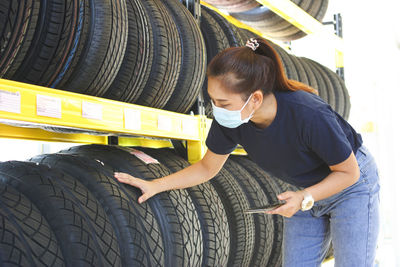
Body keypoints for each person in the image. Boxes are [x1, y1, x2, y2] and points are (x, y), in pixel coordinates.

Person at [114, 37, 380, 266]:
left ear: (255, 98)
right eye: (212, 100)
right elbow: (207, 168)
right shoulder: (232, 120)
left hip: (351, 188)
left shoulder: (308, 114)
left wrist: (305, 197)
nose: (216, 108)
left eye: (223, 102)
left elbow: (349, 172)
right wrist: (155, 185)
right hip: (304, 191)